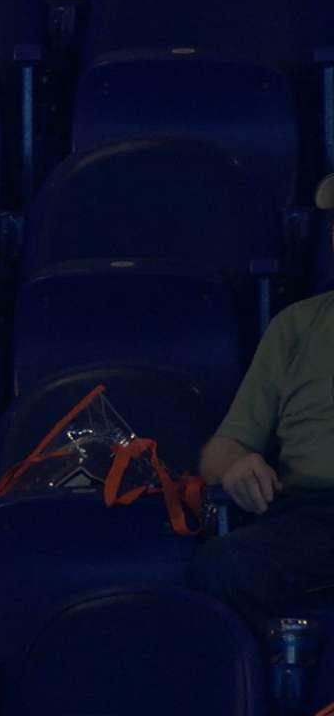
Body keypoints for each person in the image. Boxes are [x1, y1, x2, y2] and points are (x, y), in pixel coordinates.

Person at [187, 173, 334, 632]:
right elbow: (222, 448)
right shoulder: (298, 326)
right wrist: (237, 465)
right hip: (314, 516)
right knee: (224, 566)